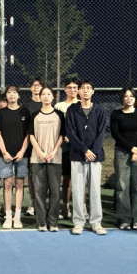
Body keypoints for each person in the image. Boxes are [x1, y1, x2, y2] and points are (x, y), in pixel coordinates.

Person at [66, 80, 107, 236]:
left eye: (88, 88)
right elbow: (70, 132)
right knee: (77, 190)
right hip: (78, 155)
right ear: (78, 91)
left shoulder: (99, 110)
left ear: (93, 91)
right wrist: (84, 150)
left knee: (95, 190)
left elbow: (102, 132)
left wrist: (93, 151)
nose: (85, 90)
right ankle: (78, 222)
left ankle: (96, 222)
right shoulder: (72, 110)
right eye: (82, 88)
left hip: (95, 156)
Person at [0, 85, 31, 230]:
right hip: (5, 156)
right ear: (6, 95)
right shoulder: (1, 113)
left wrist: (22, 151)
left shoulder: (25, 112)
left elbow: (28, 134)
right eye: (9, 92)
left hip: (22, 155)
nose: (12, 95)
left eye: (14, 92)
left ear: (18, 95)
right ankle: (8, 216)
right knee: (7, 184)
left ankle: (17, 217)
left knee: (19, 185)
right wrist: (4, 152)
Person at [30, 86, 66, 232]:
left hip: (54, 159)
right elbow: (31, 135)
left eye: (48, 94)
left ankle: (53, 222)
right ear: (40, 97)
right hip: (37, 159)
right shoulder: (35, 115)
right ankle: (41, 222)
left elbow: (62, 135)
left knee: (55, 191)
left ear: (53, 97)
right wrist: (40, 152)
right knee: (39, 191)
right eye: (43, 94)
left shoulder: (59, 115)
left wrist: (54, 151)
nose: (45, 96)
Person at [110, 88, 137, 231]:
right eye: (126, 96)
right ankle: (124, 218)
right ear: (122, 99)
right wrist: (131, 149)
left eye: (131, 96)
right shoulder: (116, 114)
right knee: (122, 186)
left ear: (135, 98)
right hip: (122, 152)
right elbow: (115, 134)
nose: (129, 98)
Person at [55, 78, 81, 220]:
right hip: (64, 148)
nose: (72, 90)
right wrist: (64, 136)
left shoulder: (82, 104)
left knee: (80, 179)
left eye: (75, 87)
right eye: (69, 87)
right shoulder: (59, 106)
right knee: (66, 178)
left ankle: (81, 208)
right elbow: (57, 125)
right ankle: (65, 207)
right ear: (65, 89)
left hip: (79, 148)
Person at [25, 79, 44, 217]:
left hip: (46, 145)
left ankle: (42, 204)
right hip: (31, 145)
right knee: (32, 177)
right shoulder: (26, 106)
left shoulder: (47, 104)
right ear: (31, 88)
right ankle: (32, 204)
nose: (36, 87)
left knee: (45, 177)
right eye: (34, 85)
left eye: (39, 85)